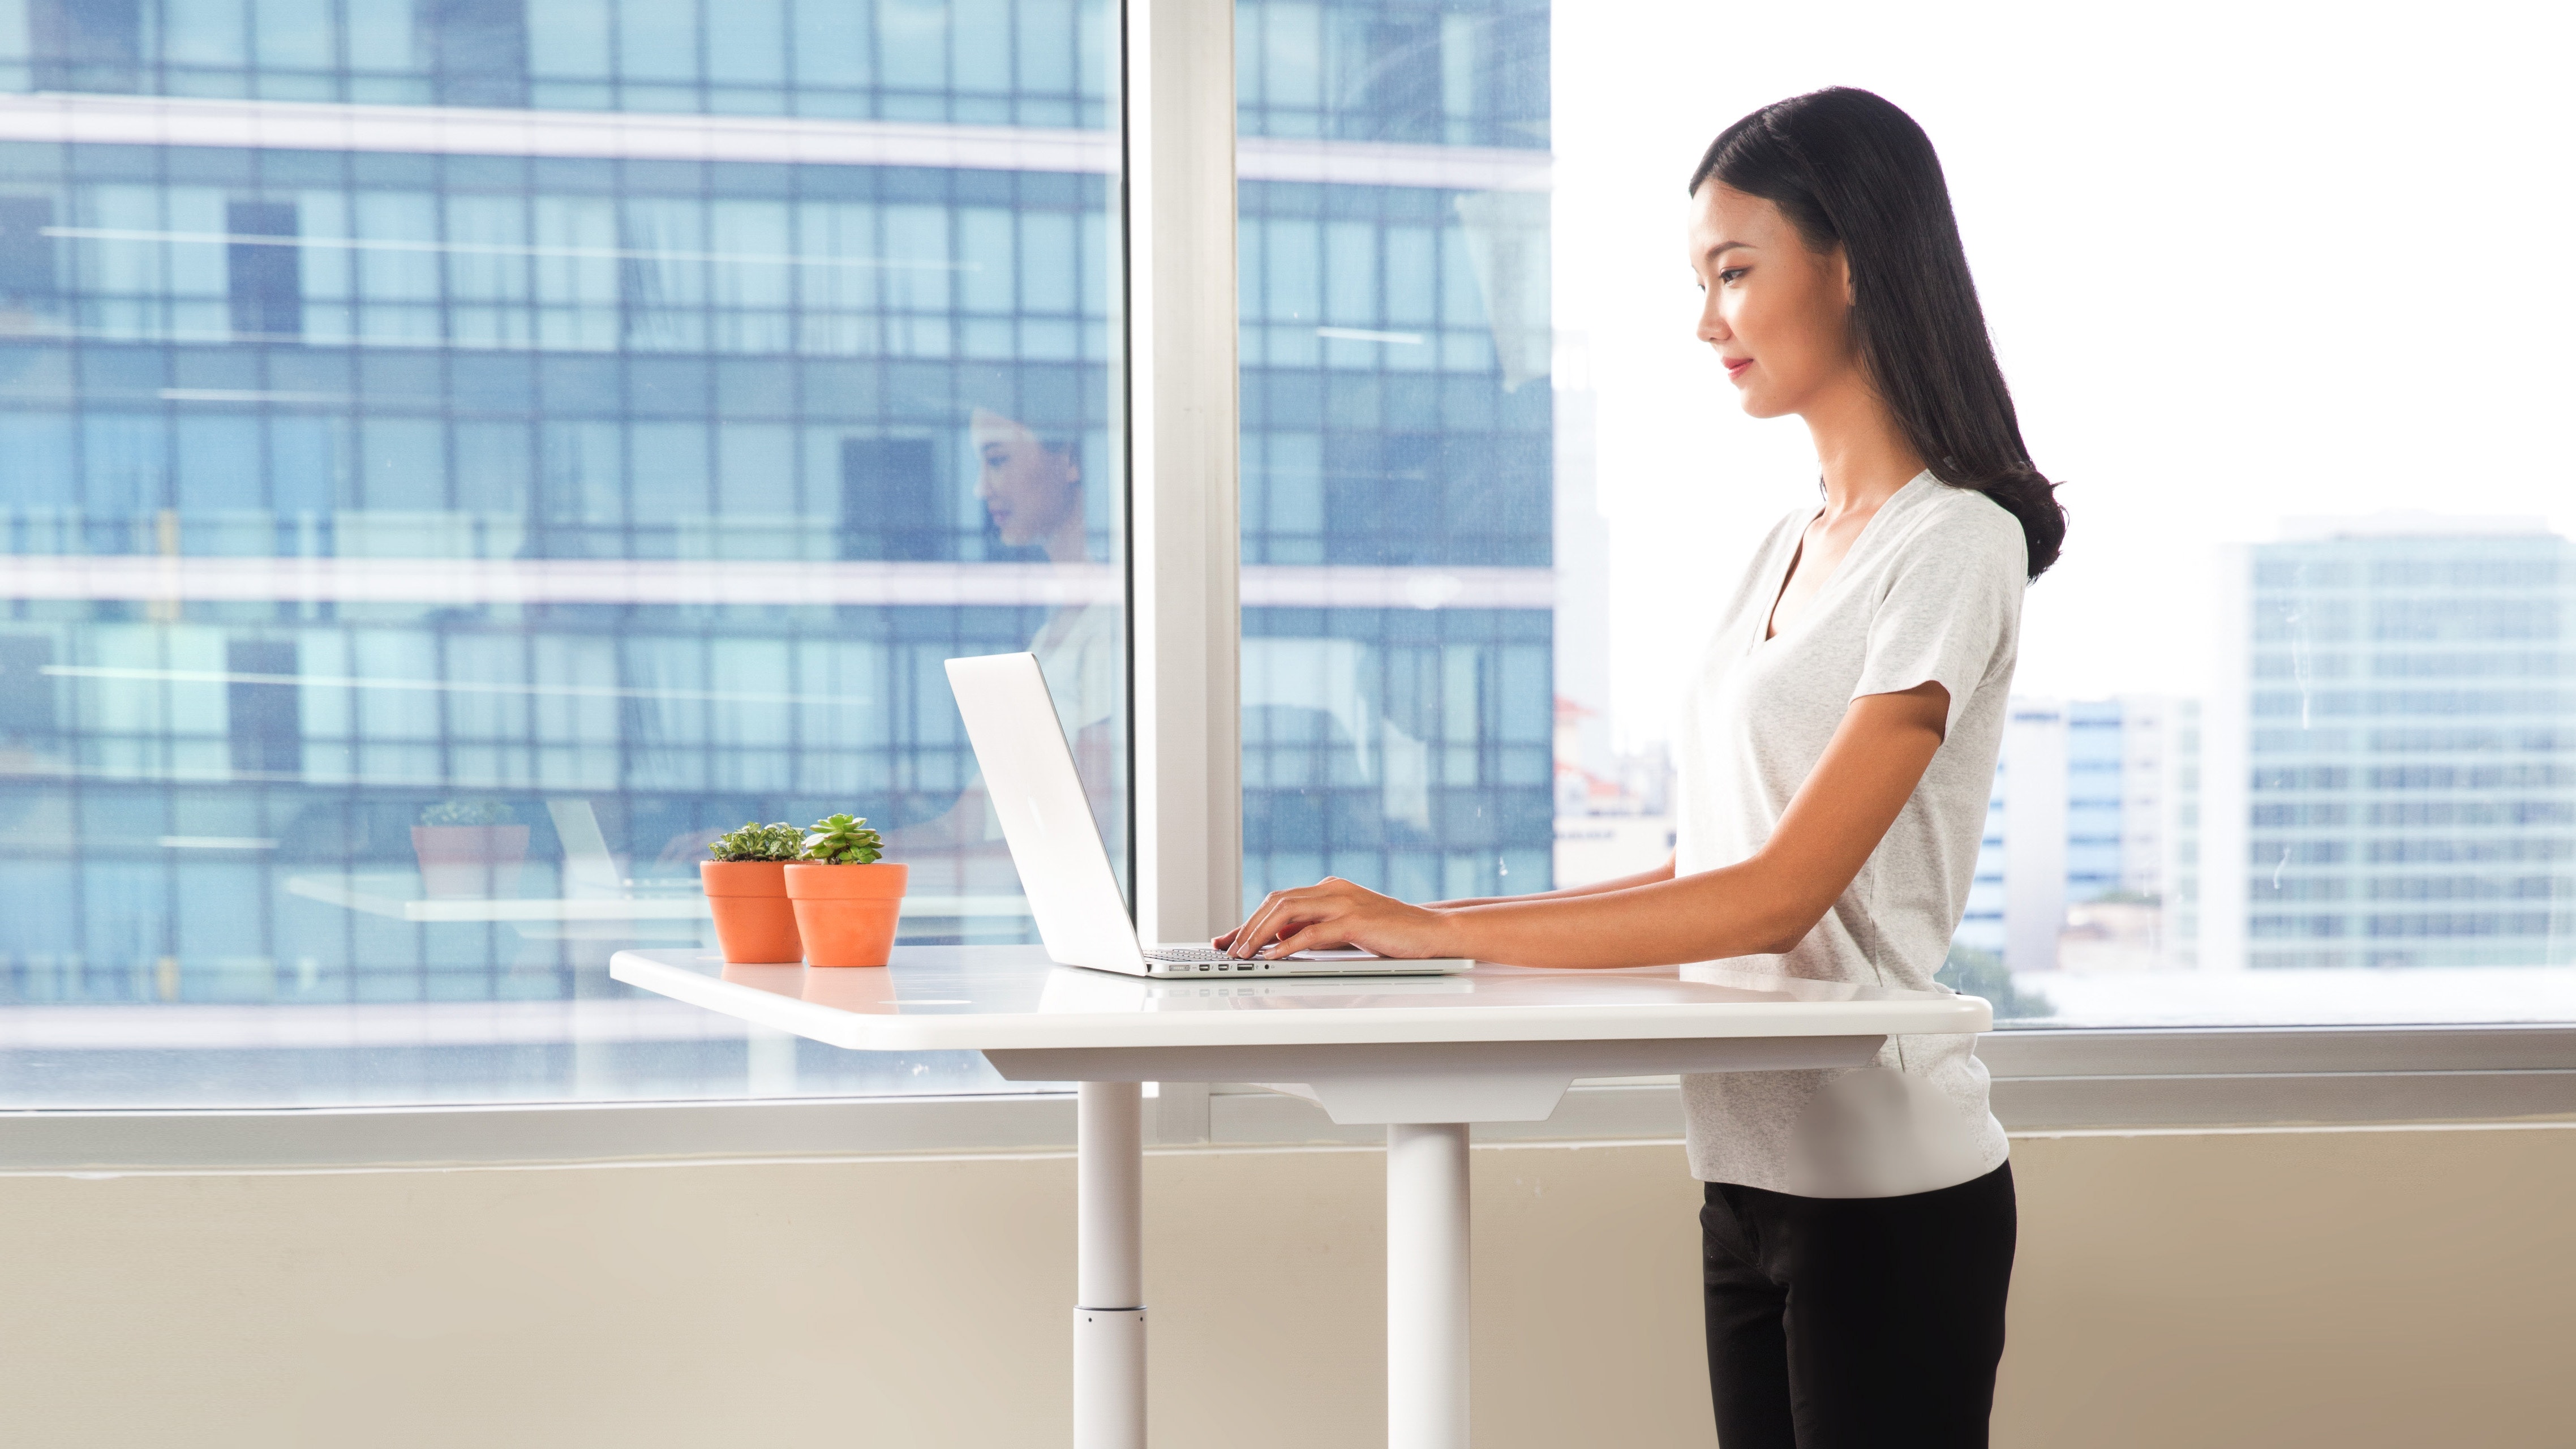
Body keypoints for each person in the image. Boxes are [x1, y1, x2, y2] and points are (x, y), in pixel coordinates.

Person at [1214, 87, 2063, 1448]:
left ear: (1848, 263)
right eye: (1699, 279)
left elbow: (1774, 899)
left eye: (1736, 271)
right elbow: (1704, 874)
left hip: (1886, 1181)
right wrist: (1416, 939)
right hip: (1744, 1170)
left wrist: (1430, 928)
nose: (1706, 320)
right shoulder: (1782, 549)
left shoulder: (1950, 545)